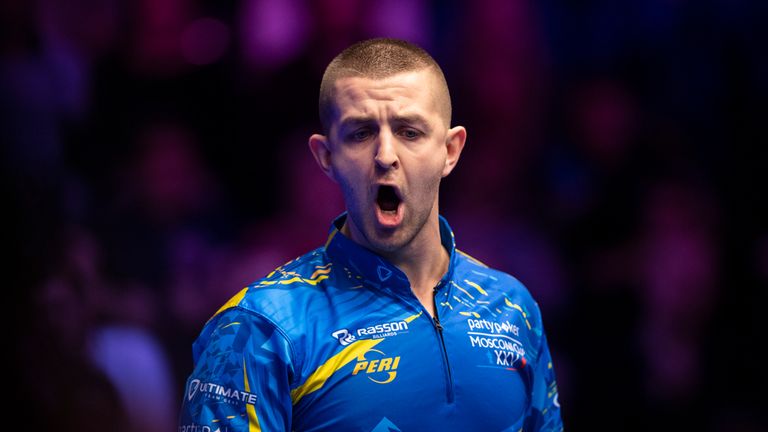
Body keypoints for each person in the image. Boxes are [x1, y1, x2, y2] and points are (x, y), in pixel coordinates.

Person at [179, 38, 563, 432]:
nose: (385, 155)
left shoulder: (513, 307)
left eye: (409, 132)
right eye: (361, 133)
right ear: (326, 157)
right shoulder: (258, 327)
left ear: (450, 150)